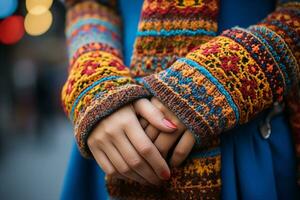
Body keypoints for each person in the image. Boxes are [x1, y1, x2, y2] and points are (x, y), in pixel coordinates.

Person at [61, 0, 300, 199]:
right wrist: (95, 81)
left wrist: (218, 77)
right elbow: (87, 4)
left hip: (243, 139)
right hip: (112, 135)